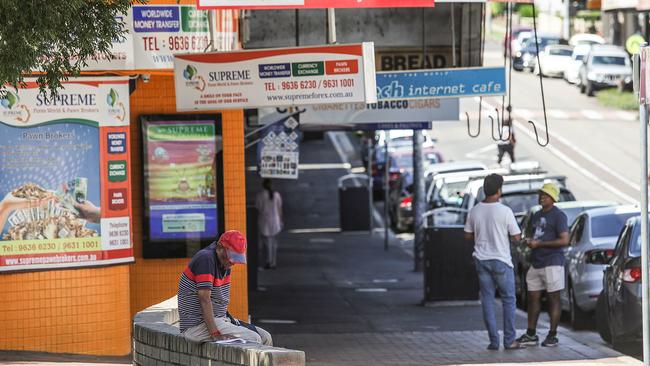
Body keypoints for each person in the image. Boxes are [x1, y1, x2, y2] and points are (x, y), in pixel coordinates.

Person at [178, 230, 272, 345]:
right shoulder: (206, 259)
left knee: (266, 337)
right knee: (254, 339)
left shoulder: (224, 262)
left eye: (236, 257)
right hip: (197, 326)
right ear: (219, 247)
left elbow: (217, 300)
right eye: (230, 256)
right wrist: (215, 334)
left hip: (221, 319)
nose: (232, 262)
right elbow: (204, 299)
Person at [464, 174, 523, 350]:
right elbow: (516, 237)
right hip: (501, 260)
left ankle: (494, 341)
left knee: (488, 300)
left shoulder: (474, 210)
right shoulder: (505, 211)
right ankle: (509, 340)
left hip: (481, 260)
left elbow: (467, 235)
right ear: (499, 191)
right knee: (509, 300)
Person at [516, 182, 569, 348]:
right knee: (533, 298)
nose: (542, 197)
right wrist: (529, 242)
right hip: (536, 262)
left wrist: (540, 244)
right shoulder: (537, 215)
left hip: (553, 262)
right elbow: (534, 235)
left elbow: (564, 240)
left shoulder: (559, 216)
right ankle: (531, 333)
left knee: (554, 298)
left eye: (545, 195)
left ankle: (552, 335)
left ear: (553, 198)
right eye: (541, 194)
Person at [255, 179, 283, 269]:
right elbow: (279, 209)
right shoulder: (276, 195)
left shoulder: (260, 195)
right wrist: (281, 221)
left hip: (264, 222)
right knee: (274, 243)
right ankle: (273, 262)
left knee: (266, 244)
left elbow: (258, 208)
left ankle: (267, 262)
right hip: (276, 222)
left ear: (263, 185)